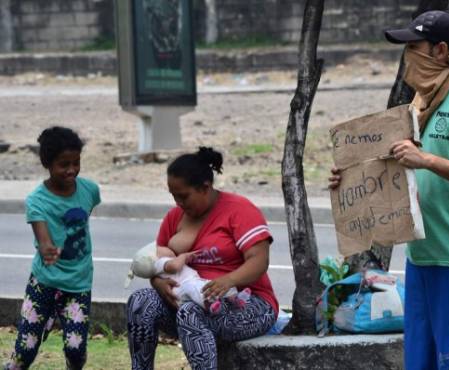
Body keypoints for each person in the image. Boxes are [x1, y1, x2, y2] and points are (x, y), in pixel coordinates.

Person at [330, 10, 449, 369]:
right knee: (423, 361)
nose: (407, 57)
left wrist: (426, 160)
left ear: (441, 50)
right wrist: (348, 178)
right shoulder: (419, 103)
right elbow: (398, 165)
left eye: (414, 46)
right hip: (422, 257)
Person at [127, 147, 278, 370]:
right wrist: (159, 284)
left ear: (205, 188)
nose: (178, 202)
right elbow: (157, 264)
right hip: (187, 302)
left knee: (191, 312)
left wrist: (227, 281)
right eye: (173, 195)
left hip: (249, 305)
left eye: (184, 195)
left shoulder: (240, 210)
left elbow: (259, 261)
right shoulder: (174, 218)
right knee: (140, 301)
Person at [5, 126, 101, 370]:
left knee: (75, 348)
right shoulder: (37, 200)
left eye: (76, 162)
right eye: (63, 164)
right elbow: (43, 236)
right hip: (44, 282)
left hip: (78, 283)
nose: (71, 170)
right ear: (47, 163)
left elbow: (83, 219)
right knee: (24, 351)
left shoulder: (90, 190)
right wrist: (48, 249)